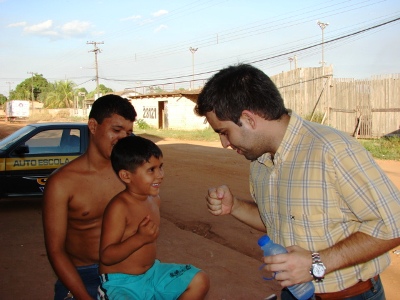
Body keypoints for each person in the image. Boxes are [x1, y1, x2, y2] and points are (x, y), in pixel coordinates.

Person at [194, 63, 400, 300]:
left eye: (223, 132)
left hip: (349, 295)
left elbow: (394, 223)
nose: (224, 144)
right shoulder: (261, 163)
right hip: (295, 292)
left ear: (249, 119)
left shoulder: (331, 149)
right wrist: (236, 206)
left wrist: (316, 263)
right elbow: (277, 221)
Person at [43, 94, 137, 300]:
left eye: (128, 133)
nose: (123, 139)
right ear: (93, 127)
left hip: (126, 272)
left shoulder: (131, 175)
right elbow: (56, 251)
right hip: (83, 275)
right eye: (116, 130)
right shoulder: (61, 183)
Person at [97, 135, 210, 299]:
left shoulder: (154, 200)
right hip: (121, 283)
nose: (160, 175)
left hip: (152, 274)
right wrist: (139, 238)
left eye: (160, 167)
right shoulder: (119, 208)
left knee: (199, 280)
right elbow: (106, 256)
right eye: (151, 170)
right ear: (126, 176)